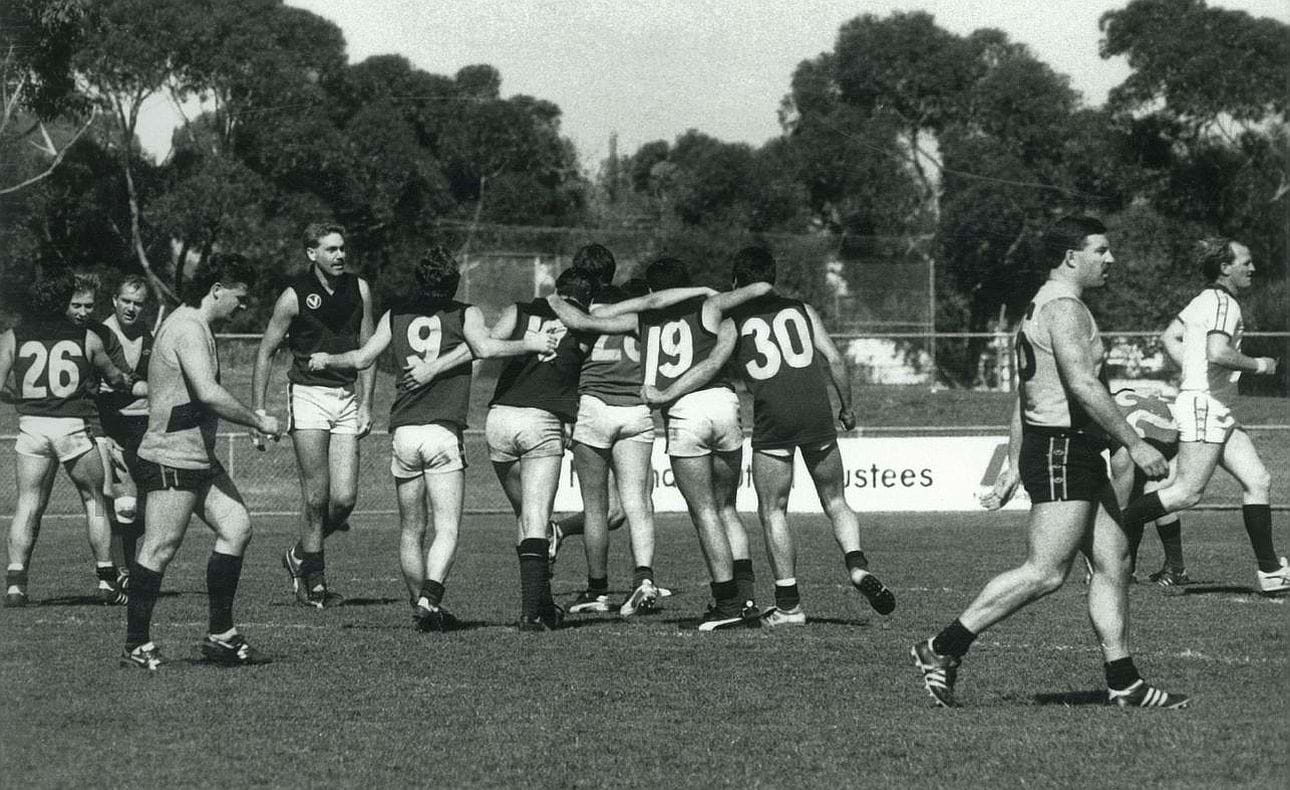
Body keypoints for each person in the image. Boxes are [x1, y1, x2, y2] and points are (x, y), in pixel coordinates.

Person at [916, 215, 1188, 709]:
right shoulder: (1065, 308)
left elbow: (1025, 393)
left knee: (1113, 561)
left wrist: (1015, 461)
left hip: (1070, 448)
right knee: (1045, 572)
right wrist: (1136, 442)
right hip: (1063, 448)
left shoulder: (1041, 304)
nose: (1110, 259)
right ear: (1071, 256)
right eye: (1101, 251)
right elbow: (1082, 385)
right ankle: (942, 647)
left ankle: (1123, 681)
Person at [308, 246, 557, 631]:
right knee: (448, 528)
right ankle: (431, 596)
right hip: (441, 431)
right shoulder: (466, 313)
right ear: (453, 282)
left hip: (404, 431)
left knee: (411, 529)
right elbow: (486, 348)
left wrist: (327, 359)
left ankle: (423, 608)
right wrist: (532, 343)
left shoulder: (396, 315)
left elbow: (361, 359)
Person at [657, 246, 896, 626]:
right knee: (835, 500)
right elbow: (834, 358)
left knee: (773, 511)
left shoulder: (733, 320)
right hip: (817, 412)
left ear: (737, 282)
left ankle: (789, 605)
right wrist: (847, 408)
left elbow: (712, 364)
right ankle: (857, 565)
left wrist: (667, 394)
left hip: (775, 417)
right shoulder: (802, 310)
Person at [550, 258, 766, 630]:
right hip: (724, 404)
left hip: (684, 410)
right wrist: (707, 291)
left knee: (705, 513)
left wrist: (554, 299)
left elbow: (585, 322)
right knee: (727, 508)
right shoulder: (709, 307)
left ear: (652, 291)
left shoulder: (643, 319)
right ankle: (745, 599)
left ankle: (727, 602)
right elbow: (761, 289)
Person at [121, 253, 282, 670]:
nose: (243, 305)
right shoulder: (189, 328)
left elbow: (201, 401)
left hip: (197, 455)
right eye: (239, 296)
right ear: (216, 290)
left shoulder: (195, 325)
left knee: (237, 526)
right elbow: (207, 393)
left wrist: (242, 421)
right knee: (159, 547)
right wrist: (257, 420)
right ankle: (135, 645)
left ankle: (221, 637)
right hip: (172, 455)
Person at [1121, 237, 1288, 595]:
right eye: (1246, 261)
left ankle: (1271, 572)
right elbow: (1218, 351)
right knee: (1186, 493)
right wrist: (1261, 365)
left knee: (1258, 479)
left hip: (1217, 406)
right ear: (1225, 267)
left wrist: (1193, 372)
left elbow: (1170, 337)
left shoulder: (1201, 300)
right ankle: (1106, 534)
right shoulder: (1224, 302)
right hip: (1206, 407)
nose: (1252, 268)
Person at [253, 222, 375, 608]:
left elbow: (369, 349)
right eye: (331, 249)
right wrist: (258, 409)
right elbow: (266, 351)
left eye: (342, 249)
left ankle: (299, 556)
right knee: (316, 496)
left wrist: (367, 404)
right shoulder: (293, 297)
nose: (340, 256)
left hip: (346, 397)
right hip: (307, 395)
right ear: (312, 254)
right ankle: (316, 583)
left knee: (344, 499)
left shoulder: (360, 289)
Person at [1, 271, 141, 607]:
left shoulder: (12, 336)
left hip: (32, 427)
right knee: (94, 501)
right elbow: (117, 379)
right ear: (63, 302)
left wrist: (22, 401)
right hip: (72, 428)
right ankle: (107, 580)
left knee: (28, 504)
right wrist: (140, 382)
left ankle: (16, 584)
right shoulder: (88, 337)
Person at [486, 267, 597, 631]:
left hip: (499, 418)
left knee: (525, 517)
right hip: (541, 420)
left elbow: (485, 347)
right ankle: (531, 613)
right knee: (536, 518)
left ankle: (544, 606)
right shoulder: (583, 324)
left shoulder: (518, 310)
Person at [93, 276, 155, 586]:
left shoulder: (147, 334)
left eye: (138, 303)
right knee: (117, 500)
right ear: (114, 300)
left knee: (140, 506)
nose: (131, 308)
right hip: (107, 424)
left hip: (141, 424)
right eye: (126, 301)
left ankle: (124, 568)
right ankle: (118, 571)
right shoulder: (101, 334)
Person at [1108, 389, 1187, 586]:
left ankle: (1175, 568)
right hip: (1176, 430)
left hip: (1189, 436)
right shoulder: (1113, 406)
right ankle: (1130, 569)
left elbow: (1121, 506)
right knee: (1144, 497)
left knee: (1152, 495)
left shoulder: (1117, 429)